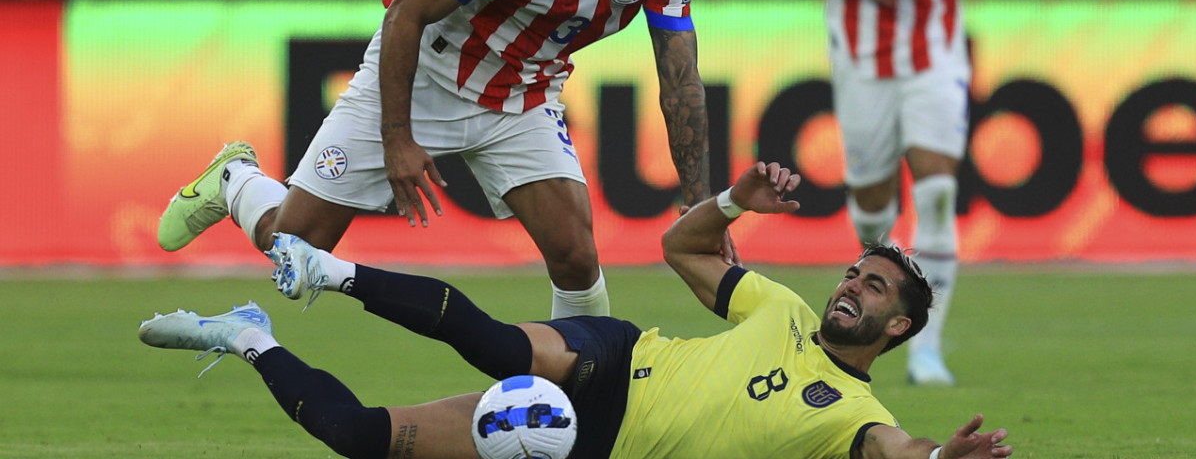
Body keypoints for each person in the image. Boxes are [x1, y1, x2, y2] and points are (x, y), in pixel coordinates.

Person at [155, 0, 722, 319]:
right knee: (295, 248)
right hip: (427, 71)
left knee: (575, 253)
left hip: (522, 95)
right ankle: (236, 181)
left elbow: (681, 85)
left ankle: (587, 396)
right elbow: (406, 12)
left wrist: (700, 205)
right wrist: (397, 138)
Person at [139, 161, 1013, 459]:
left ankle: (250, 337)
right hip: (615, 362)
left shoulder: (852, 413)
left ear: (898, 327)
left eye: (874, 288)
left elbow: (893, 449)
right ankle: (326, 269)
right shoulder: (778, 308)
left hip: (591, 446)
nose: (850, 287)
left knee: (362, 439)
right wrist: (736, 201)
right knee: (495, 347)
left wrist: (940, 455)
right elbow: (684, 248)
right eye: (855, 273)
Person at [771, 0, 1000, 386]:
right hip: (863, 52)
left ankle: (928, 350)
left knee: (939, 189)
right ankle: (887, 301)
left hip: (938, 46)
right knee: (873, 203)